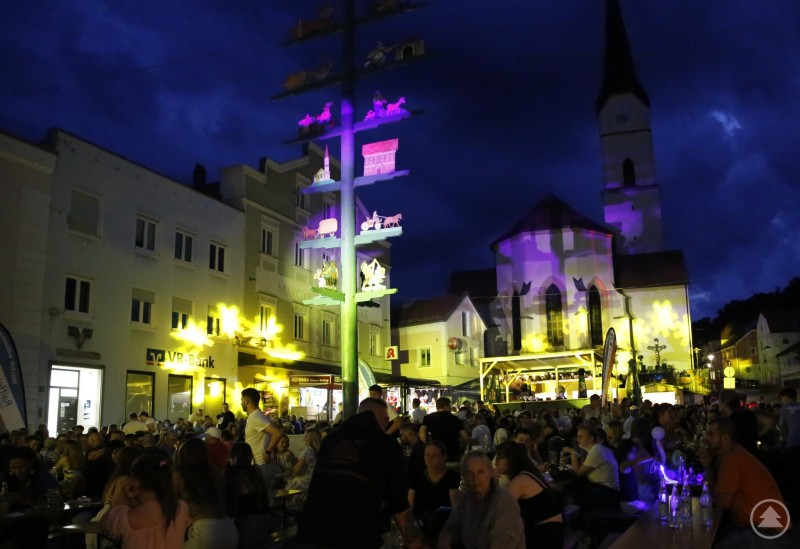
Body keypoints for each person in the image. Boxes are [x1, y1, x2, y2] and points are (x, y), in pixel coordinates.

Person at [295, 398, 426, 549]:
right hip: (353, 534)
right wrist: (414, 541)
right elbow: (399, 502)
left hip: (311, 530)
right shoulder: (384, 444)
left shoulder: (331, 439)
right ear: (382, 418)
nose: (387, 424)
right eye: (386, 419)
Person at [700, 417, 791, 546]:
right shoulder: (733, 454)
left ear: (725, 438)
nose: (706, 438)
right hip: (758, 526)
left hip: (768, 530)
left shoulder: (733, 459)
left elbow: (720, 503)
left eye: (711, 434)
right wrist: (708, 466)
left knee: (714, 543)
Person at [437, 450, 526, 549]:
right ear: (464, 477)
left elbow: (501, 542)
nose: (476, 479)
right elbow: (451, 526)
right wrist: (444, 540)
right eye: (470, 474)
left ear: (491, 472)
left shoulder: (503, 501)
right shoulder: (467, 498)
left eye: (481, 472)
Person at [100, 454, 190, 549]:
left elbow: (102, 526)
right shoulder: (181, 508)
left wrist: (127, 498)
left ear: (135, 481)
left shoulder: (121, 515)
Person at [494, 441, 564, 549]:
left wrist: (492, 482)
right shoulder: (528, 474)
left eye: (499, 458)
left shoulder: (520, 480)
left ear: (510, 459)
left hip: (546, 535)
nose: (495, 463)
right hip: (552, 532)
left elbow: (499, 507)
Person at [172, 437, 238, 548]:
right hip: (229, 528)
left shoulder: (179, 476)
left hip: (204, 531)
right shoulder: (215, 473)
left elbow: (170, 503)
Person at [561, 423, 620, 510]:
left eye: (581, 436)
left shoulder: (597, 451)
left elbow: (578, 474)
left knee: (569, 493)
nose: (578, 439)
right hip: (602, 487)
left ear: (591, 438)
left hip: (607, 491)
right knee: (570, 487)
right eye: (577, 436)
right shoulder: (597, 449)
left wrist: (573, 454)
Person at [408, 440, 460, 539]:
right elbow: (410, 506)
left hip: (443, 526)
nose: (429, 458)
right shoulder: (417, 477)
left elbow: (455, 507)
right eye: (427, 455)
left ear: (444, 457)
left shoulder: (452, 476)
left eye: (434, 455)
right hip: (419, 526)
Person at [224, 442, 272, 548]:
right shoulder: (256, 471)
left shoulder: (234, 473)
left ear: (233, 456)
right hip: (264, 519)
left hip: (246, 524)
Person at [240, 387, 282, 486]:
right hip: (259, 464)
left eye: (241, 400)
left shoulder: (256, 417)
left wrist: (267, 452)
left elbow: (277, 433)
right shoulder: (255, 416)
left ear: (247, 401)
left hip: (261, 465)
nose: (241, 403)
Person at [420, 397, 470, 463]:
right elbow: (465, 437)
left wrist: (426, 446)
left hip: (436, 454)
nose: (450, 408)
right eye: (449, 406)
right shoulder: (455, 419)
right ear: (446, 406)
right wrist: (463, 449)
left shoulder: (428, 418)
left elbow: (422, 432)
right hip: (453, 454)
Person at [284, 427, 322, 512]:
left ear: (308, 437)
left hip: (304, 481)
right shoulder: (319, 451)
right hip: (314, 480)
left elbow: (296, 470)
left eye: (305, 435)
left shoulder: (306, 451)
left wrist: (289, 473)